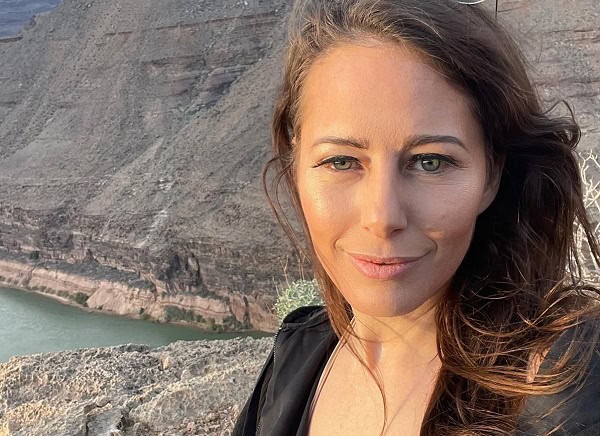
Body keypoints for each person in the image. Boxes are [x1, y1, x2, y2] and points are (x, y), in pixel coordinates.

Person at [233, 0, 600, 434]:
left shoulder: (565, 385)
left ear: (491, 176)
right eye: (341, 161)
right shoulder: (295, 357)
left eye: (430, 162)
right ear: (295, 168)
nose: (383, 216)